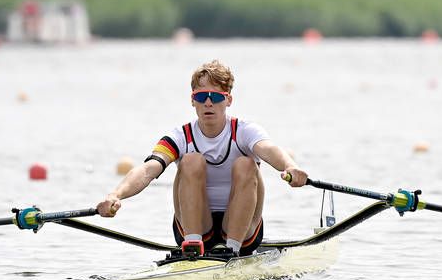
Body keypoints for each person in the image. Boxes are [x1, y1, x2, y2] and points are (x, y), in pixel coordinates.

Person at [96, 59, 308, 258]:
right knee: (190, 161)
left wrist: (290, 166)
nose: (208, 103)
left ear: (228, 100)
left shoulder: (245, 131)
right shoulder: (180, 136)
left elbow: (269, 149)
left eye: (215, 97)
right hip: (195, 226)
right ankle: (194, 244)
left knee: (246, 163)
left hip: (243, 231)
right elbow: (147, 169)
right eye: (201, 96)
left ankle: (231, 250)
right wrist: (116, 194)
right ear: (192, 100)